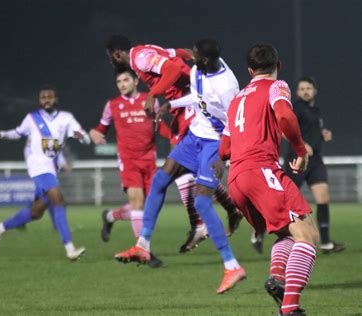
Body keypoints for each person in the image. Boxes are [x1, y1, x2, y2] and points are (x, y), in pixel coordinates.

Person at [114, 38, 246, 294]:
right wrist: (169, 104)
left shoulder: (227, 85)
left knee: (202, 202)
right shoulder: (198, 70)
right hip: (194, 136)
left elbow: (234, 121)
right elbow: (196, 99)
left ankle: (232, 266)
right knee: (160, 180)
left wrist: (223, 156)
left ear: (205, 59)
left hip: (215, 143)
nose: (188, 58)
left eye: (194, 55)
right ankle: (143, 245)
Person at [219, 44, 320, 315]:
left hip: (236, 179)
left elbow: (224, 150)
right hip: (261, 171)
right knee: (308, 236)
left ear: (249, 70)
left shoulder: (237, 99)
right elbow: (285, 115)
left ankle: (277, 278)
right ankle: (289, 309)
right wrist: (300, 150)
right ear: (279, 65)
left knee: (286, 232)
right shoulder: (277, 86)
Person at [0, 85, 90, 261]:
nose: (46, 99)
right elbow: (17, 133)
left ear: (56, 99)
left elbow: (82, 135)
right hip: (37, 167)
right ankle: (70, 249)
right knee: (58, 199)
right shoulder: (32, 118)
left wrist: (82, 137)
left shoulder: (66, 118)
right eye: (43, 97)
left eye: (50, 96)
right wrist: (1, 134)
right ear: (39, 101)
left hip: (51, 168)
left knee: (36, 212)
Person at [90, 67, 171, 267]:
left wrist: (174, 138)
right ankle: (144, 251)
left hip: (149, 159)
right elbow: (101, 128)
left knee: (145, 206)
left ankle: (110, 216)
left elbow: (159, 125)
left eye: (126, 80)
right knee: (137, 203)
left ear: (135, 81)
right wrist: (94, 133)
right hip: (128, 160)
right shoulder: (112, 105)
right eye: (119, 82)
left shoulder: (149, 100)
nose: (122, 84)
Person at [283, 77, 345, 254]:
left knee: (323, 198)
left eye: (308, 88)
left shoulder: (315, 110)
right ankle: (267, 233)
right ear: (297, 92)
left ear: (314, 90)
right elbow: (283, 130)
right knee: (287, 201)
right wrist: (301, 145)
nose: (305, 91)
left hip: (316, 160)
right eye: (301, 88)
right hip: (297, 159)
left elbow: (312, 130)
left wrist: (323, 133)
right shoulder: (295, 108)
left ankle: (325, 242)